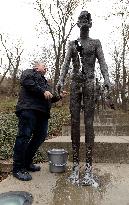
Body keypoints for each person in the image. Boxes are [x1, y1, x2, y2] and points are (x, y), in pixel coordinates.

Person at [56, 11, 111, 187]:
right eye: (82, 20)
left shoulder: (96, 43)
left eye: (87, 20)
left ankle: (88, 167)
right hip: (75, 83)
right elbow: (65, 64)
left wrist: (107, 79)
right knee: (74, 123)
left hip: (89, 83)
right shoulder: (72, 44)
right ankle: (75, 166)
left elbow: (102, 63)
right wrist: (60, 79)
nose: (85, 22)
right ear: (78, 24)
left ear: (91, 24)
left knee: (88, 123)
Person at [13, 62, 66, 181]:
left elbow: (49, 98)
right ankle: (17, 168)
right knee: (24, 136)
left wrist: (59, 96)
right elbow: (26, 82)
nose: (46, 67)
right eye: (44, 66)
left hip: (42, 113)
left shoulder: (45, 82)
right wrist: (42, 91)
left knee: (40, 136)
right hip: (29, 109)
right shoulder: (29, 72)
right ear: (37, 67)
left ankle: (27, 163)